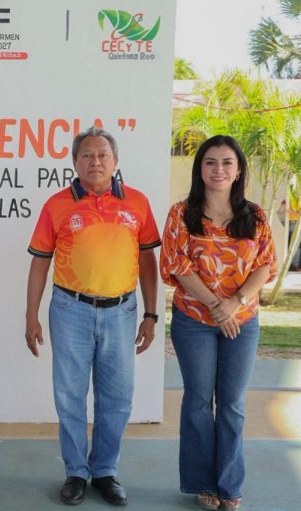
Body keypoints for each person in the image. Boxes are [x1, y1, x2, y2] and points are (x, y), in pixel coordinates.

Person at [25, 127, 160, 506]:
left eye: (103, 155)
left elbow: (147, 261)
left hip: (122, 312)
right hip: (70, 310)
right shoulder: (56, 205)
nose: (95, 161)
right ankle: (75, 472)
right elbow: (40, 263)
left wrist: (151, 314)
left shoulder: (137, 203)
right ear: (74, 162)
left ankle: (104, 471)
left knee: (117, 397)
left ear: (115, 162)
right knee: (70, 396)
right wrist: (30, 315)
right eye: (86, 155)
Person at [160, 135, 277, 511]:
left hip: (243, 321)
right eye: (210, 162)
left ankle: (229, 485)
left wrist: (235, 303)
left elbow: (265, 265)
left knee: (232, 404)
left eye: (227, 162)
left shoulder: (255, 215)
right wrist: (216, 306)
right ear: (200, 169)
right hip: (194, 320)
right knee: (198, 401)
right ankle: (201, 483)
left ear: (238, 170)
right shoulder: (182, 213)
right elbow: (177, 265)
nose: (219, 169)